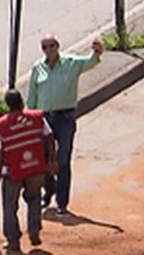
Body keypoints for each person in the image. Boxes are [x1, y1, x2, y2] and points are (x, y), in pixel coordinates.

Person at [26, 32, 102, 215]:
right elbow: (32, 97)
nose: (49, 50)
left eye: (52, 45)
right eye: (45, 47)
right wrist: (30, 119)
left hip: (65, 118)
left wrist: (97, 52)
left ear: (58, 46)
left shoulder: (70, 63)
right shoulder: (38, 68)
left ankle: (62, 201)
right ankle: (48, 190)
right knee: (43, 159)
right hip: (44, 118)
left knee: (63, 160)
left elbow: (89, 62)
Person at [0, 88, 57, 254]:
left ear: (8, 106)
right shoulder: (36, 117)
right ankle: (34, 230)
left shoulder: (2, 124)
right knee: (34, 198)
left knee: (10, 206)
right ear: (22, 101)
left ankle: (13, 241)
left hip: (12, 172)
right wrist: (52, 160)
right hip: (35, 167)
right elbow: (50, 137)